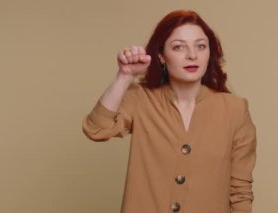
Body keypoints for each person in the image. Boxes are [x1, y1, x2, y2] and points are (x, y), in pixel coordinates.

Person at [82, 10, 257, 213]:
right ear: (161, 56)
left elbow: (240, 193)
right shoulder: (141, 99)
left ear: (210, 53)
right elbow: (96, 129)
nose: (192, 55)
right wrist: (124, 77)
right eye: (178, 47)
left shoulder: (234, 109)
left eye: (201, 46)